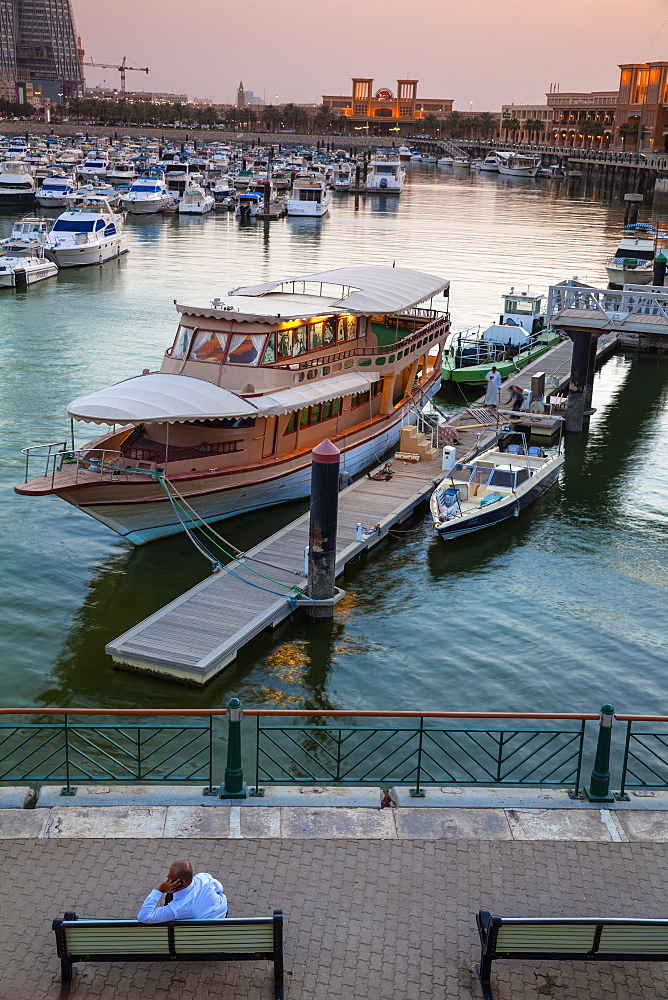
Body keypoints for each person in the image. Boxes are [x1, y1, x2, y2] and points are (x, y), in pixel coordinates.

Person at [137, 860, 228, 923]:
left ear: (182, 882)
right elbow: (220, 889)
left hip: (204, 931)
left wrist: (160, 890)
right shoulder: (204, 877)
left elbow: (144, 917)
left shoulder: (180, 907)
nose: (167, 876)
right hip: (222, 913)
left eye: (171, 876)